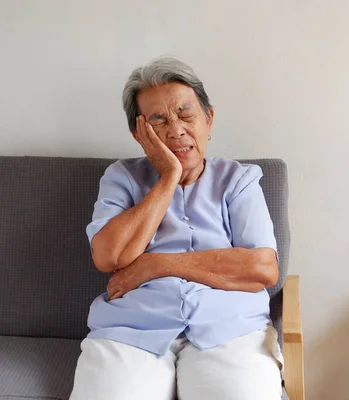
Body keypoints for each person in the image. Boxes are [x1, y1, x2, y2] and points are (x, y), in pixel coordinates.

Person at [69, 56, 283, 400]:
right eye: (158, 120)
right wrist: (168, 176)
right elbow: (109, 257)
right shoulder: (121, 178)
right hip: (132, 329)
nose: (175, 130)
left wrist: (157, 264)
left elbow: (262, 268)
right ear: (139, 134)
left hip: (230, 328)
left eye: (186, 115)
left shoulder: (239, 180)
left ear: (208, 119)